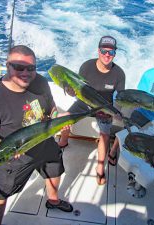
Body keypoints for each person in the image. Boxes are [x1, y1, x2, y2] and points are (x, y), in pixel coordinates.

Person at [0, 45, 73, 225]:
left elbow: (51, 109)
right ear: (8, 66)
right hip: (17, 156)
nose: (26, 72)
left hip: (45, 142)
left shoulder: (39, 82)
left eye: (31, 68)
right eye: (19, 67)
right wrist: (2, 146)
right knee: (1, 193)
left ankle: (53, 200)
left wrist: (58, 119)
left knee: (55, 170)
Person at [58, 36, 126, 185]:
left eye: (111, 52)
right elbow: (76, 88)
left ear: (115, 53)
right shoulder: (86, 67)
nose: (107, 55)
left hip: (104, 108)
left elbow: (119, 98)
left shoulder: (119, 73)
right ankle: (63, 141)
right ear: (98, 51)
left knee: (105, 134)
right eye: (104, 51)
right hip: (84, 103)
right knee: (65, 119)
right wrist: (70, 91)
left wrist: (117, 112)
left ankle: (100, 168)